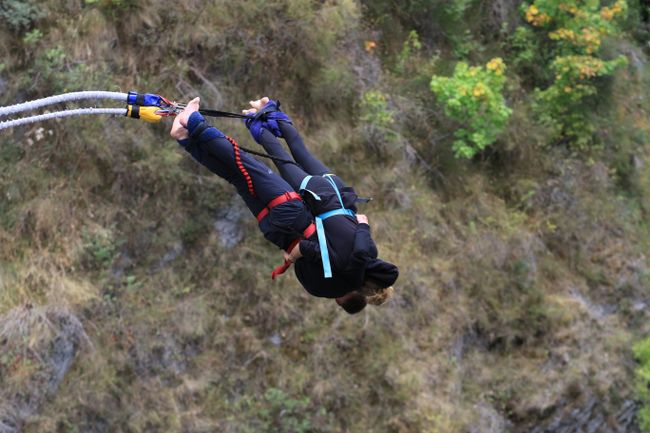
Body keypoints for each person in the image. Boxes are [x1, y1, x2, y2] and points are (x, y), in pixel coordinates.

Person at [170, 97, 398, 314]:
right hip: (276, 230)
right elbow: (304, 258)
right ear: (343, 302)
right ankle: (186, 138)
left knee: (251, 164)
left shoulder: (358, 258)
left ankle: (195, 121)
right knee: (238, 176)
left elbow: (322, 245)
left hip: (297, 212)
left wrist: (362, 226)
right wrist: (291, 257)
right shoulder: (322, 287)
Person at [242, 97, 398, 313]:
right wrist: (293, 255)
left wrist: (363, 225)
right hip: (320, 196)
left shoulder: (370, 250)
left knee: (301, 152)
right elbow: (312, 246)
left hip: (341, 193)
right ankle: (252, 118)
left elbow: (360, 225)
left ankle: (267, 109)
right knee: (281, 158)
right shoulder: (349, 264)